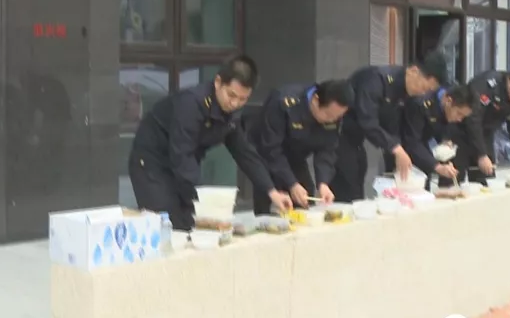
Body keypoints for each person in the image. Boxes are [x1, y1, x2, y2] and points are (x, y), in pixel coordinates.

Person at [127, 55, 293, 230]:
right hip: (152, 162)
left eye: (243, 99)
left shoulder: (231, 112)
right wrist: (204, 201)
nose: (235, 103)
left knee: (191, 223)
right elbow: (182, 155)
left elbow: (244, 153)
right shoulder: (191, 104)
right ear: (218, 82)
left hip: (182, 164)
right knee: (166, 224)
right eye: (231, 95)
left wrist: (271, 191)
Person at [331, 52, 449, 202]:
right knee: (348, 185)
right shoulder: (376, 79)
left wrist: (398, 154)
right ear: (413, 71)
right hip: (337, 135)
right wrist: (396, 148)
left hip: (357, 140)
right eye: (424, 88)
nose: (423, 93)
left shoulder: (405, 94)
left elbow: (394, 127)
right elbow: (368, 121)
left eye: (428, 91)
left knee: (359, 177)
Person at [246, 80, 354, 214]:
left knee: (305, 203)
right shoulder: (283, 102)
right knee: (268, 208)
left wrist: (323, 183)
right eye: (328, 115)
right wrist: (291, 183)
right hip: (266, 156)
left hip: (296, 158)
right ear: (316, 100)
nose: (332, 120)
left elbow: (327, 149)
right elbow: (271, 149)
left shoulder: (334, 114)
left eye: (337, 117)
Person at [456, 65, 510, 185]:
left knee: (485, 179)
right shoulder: (487, 85)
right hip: (461, 128)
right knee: (454, 178)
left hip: (486, 133)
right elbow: (473, 119)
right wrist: (481, 154)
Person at [401, 84, 476, 190]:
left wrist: (444, 140)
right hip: (401, 149)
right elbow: (412, 141)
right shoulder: (421, 104)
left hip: (422, 148)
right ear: (448, 101)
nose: (459, 119)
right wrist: (437, 166)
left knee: (424, 189)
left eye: (463, 117)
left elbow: (439, 126)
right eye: (459, 114)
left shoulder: (446, 109)